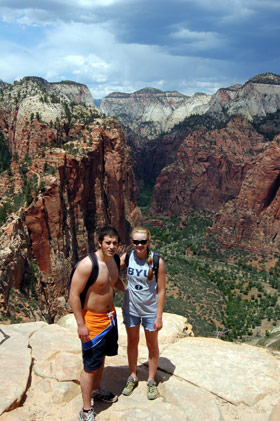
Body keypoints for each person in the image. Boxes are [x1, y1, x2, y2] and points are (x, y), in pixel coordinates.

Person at [69, 226, 126, 421]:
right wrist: (80, 324)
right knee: (90, 366)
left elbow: (114, 282)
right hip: (92, 320)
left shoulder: (115, 261)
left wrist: (127, 291)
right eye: (108, 242)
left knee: (101, 358)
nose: (111, 246)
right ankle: (86, 410)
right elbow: (73, 295)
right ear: (99, 243)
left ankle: (96, 390)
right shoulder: (87, 265)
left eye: (115, 243)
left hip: (110, 318)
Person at [120, 226, 166, 400]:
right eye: (136, 241)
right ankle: (132, 376)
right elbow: (110, 268)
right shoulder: (128, 256)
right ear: (131, 242)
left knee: (152, 345)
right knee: (132, 343)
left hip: (150, 311)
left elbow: (161, 290)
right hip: (131, 309)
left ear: (148, 242)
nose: (139, 245)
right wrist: (122, 287)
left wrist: (159, 316)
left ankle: (151, 380)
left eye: (143, 242)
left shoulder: (156, 261)